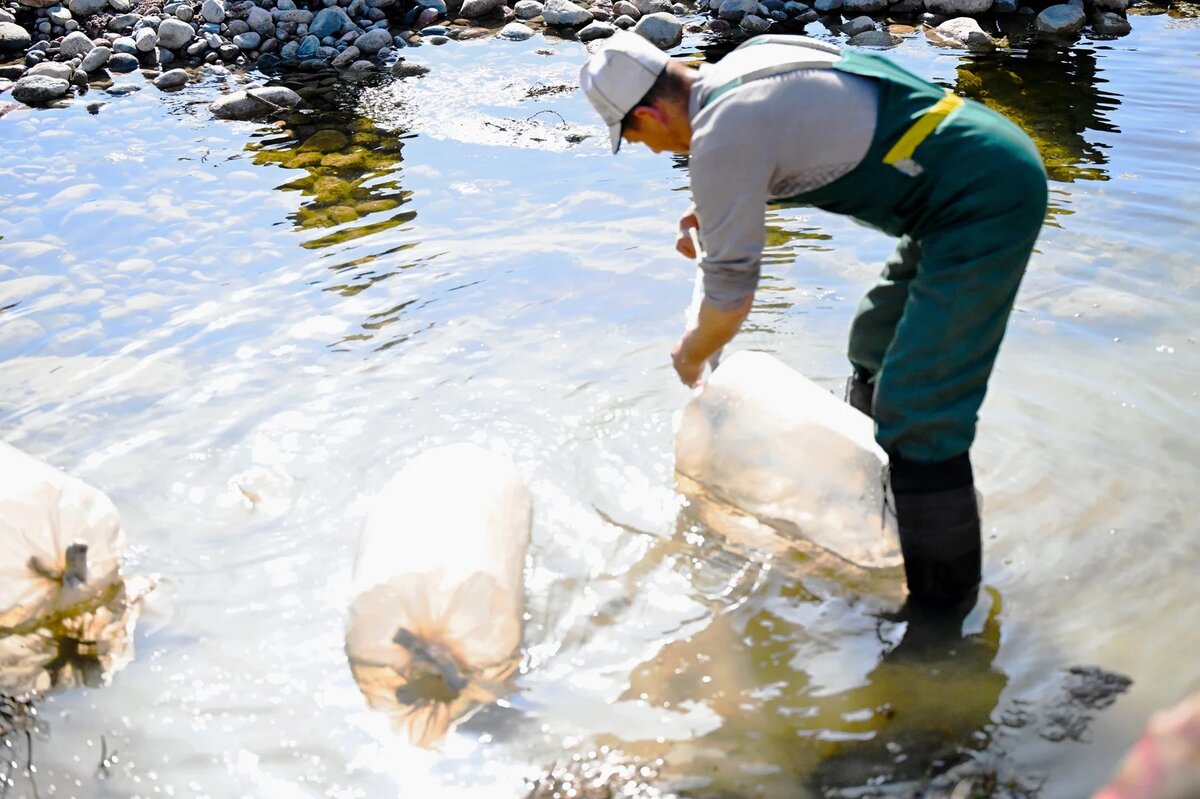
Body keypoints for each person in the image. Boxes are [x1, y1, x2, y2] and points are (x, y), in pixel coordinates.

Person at [580, 31, 1048, 610]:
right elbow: (811, 135)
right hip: (968, 170)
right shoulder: (742, 68)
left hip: (982, 198)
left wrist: (691, 356)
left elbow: (729, 304)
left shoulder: (721, 134)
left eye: (635, 136)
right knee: (875, 342)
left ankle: (941, 621)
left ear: (649, 113)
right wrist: (720, 210)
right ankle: (878, 518)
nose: (652, 150)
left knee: (921, 408)